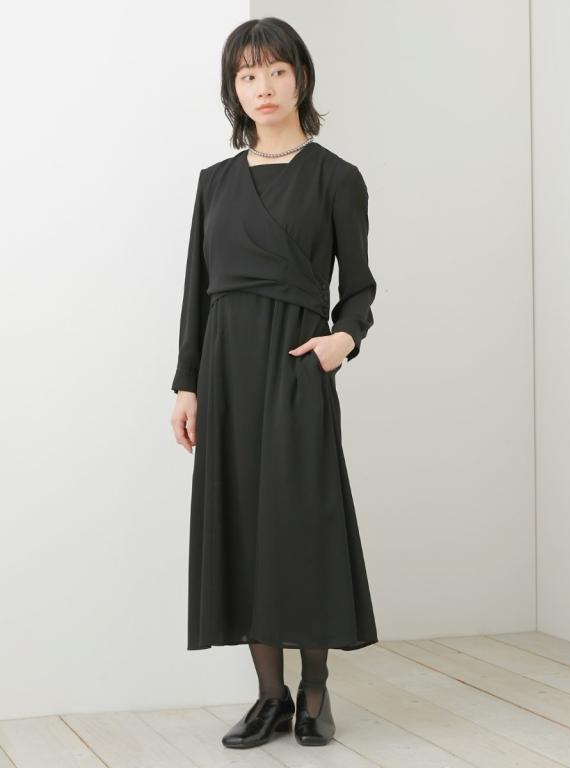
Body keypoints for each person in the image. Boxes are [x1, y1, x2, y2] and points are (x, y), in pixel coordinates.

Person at [170, 17, 378, 749]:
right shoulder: (215, 183)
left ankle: (314, 690)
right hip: (226, 372)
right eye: (248, 74)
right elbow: (197, 291)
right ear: (234, 88)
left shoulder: (336, 178)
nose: (263, 86)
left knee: (301, 523)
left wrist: (341, 341)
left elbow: (359, 288)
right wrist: (187, 384)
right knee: (243, 523)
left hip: (295, 365)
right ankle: (269, 695)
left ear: (301, 78)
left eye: (276, 71)